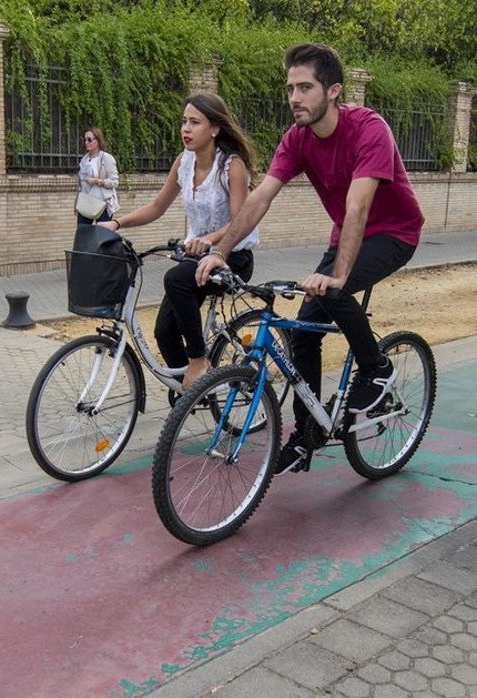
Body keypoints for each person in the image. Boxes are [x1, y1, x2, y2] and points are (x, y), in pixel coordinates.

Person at [195, 43, 424, 474]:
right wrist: (221, 252)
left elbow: (358, 206)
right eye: (290, 89)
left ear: (333, 90)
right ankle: (307, 433)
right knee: (303, 329)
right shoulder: (297, 138)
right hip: (347, 235)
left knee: (333, 290)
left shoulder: (369, 129)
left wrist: (337, 275)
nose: (294, 98)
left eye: (305, 87)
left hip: (393, 233)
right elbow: (261, 196)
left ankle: (376, 368)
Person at [98, 93, 260, 389]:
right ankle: (191, 394)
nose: (186, 128)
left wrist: (208, 240)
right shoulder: (184, 163)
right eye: (184, 121)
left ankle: (199, 360)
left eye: (195, 122)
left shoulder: (231, 166)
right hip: (197, 257)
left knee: (175, 279)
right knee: (164, 332)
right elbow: (157, 206)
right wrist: (116, 223)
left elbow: (240, 221)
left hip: (232, 256)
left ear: (214, 128)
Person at [77, 128, 120, 225]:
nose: (86, 142)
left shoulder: (106, 158)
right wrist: (76, 204)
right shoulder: (84, 160)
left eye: (89, 140)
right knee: (82, 231)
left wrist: (97, 181)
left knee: (101, 232)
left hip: (103, 203)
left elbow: (114, 182)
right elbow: (80, 186)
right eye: (85, 140)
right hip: (86, 202)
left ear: (97, 141)